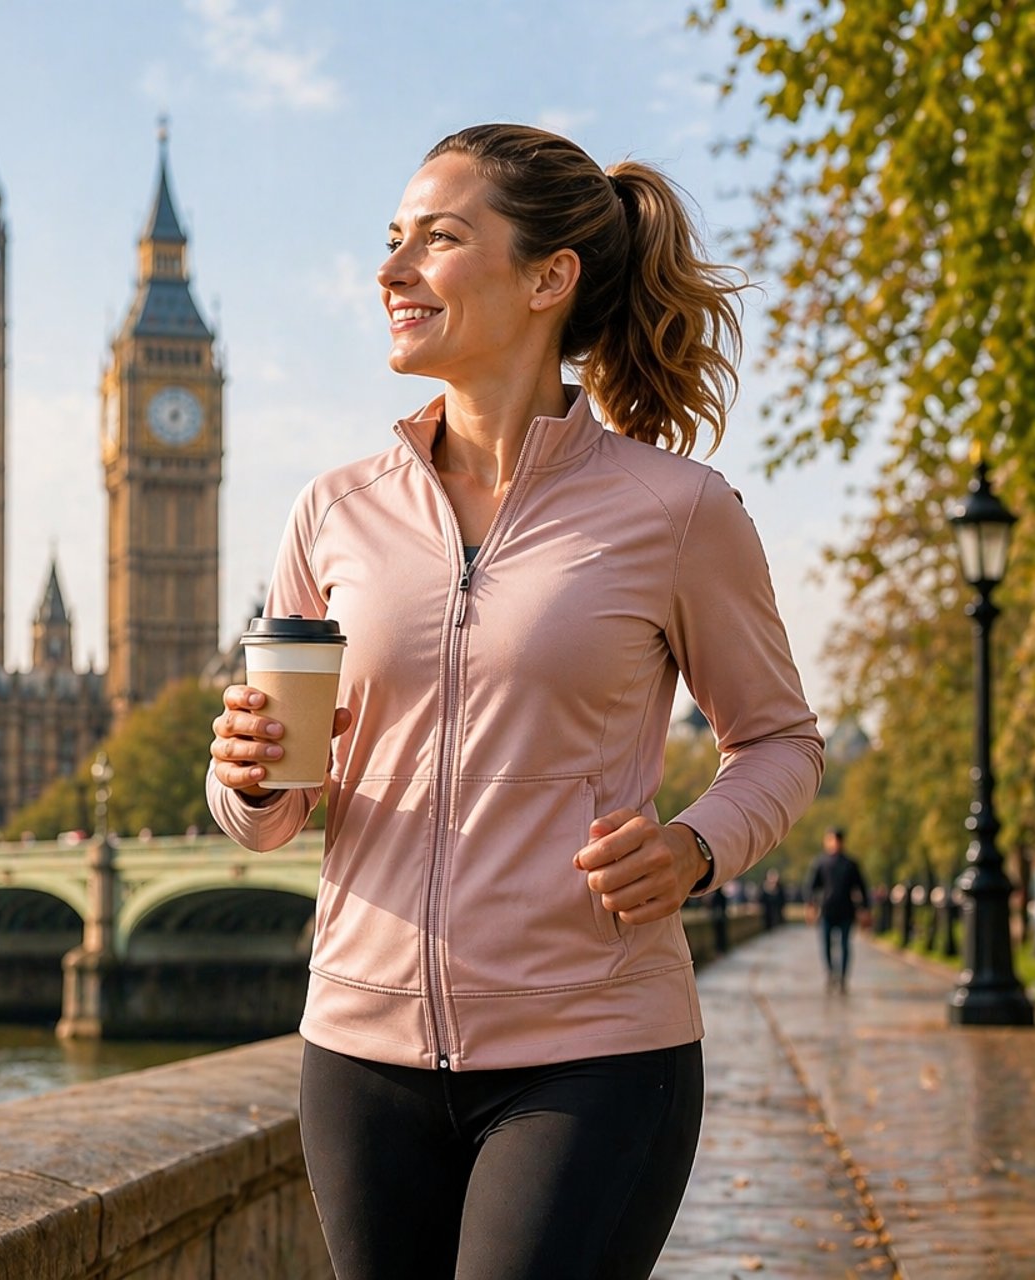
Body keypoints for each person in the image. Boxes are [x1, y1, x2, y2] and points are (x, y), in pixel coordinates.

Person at [205, 124, 824, 1279]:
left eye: (438, 240)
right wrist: (240, 774)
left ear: (549, 277)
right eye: (391, 242)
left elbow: (781, 741)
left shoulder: (676, 509)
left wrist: (694, 847)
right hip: (358, 1049)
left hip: (590, 1048)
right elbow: (276, 811)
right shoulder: (332, 511)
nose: (392, 270)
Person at [805, 827, 870, 992]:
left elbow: (861, 888)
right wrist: (810, 905)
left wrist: (865, 909)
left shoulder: (850, 864)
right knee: (826, 944)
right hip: (827, 910)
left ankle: (842, 977)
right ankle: (830, 972)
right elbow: (811, 887)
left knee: (845, 945)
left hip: (846, 911)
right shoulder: (820, 863)